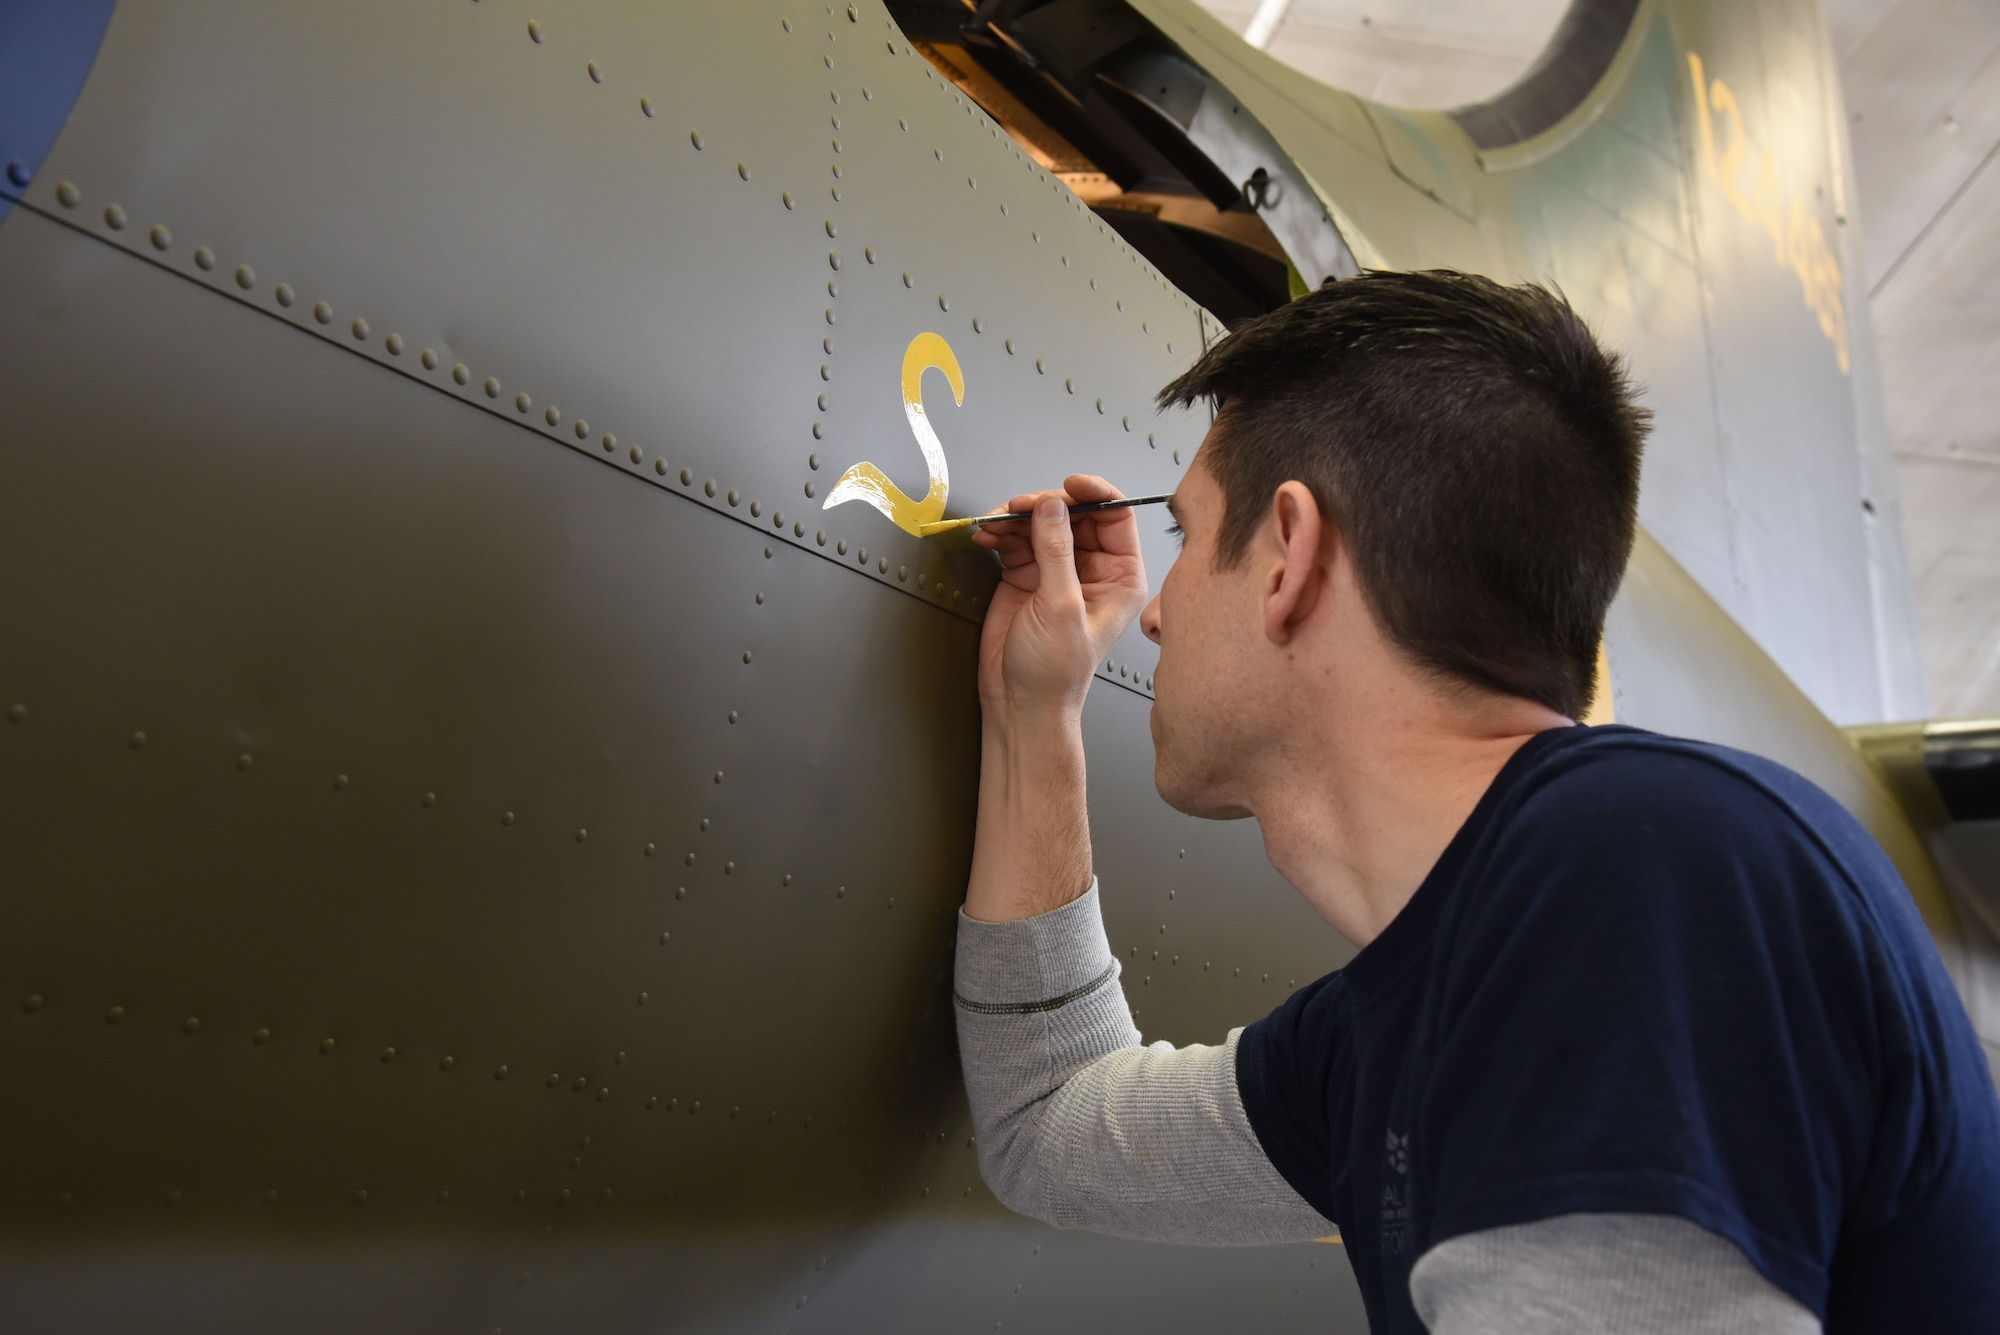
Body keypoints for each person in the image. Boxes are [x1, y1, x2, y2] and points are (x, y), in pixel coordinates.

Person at [952, 271, 2000, 1334]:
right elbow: (1051, 1131)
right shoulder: (1408, 1018)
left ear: (1288, 555)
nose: (1156, 616)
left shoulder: (1632, 884)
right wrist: (1032, 713)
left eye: (1182, 539)